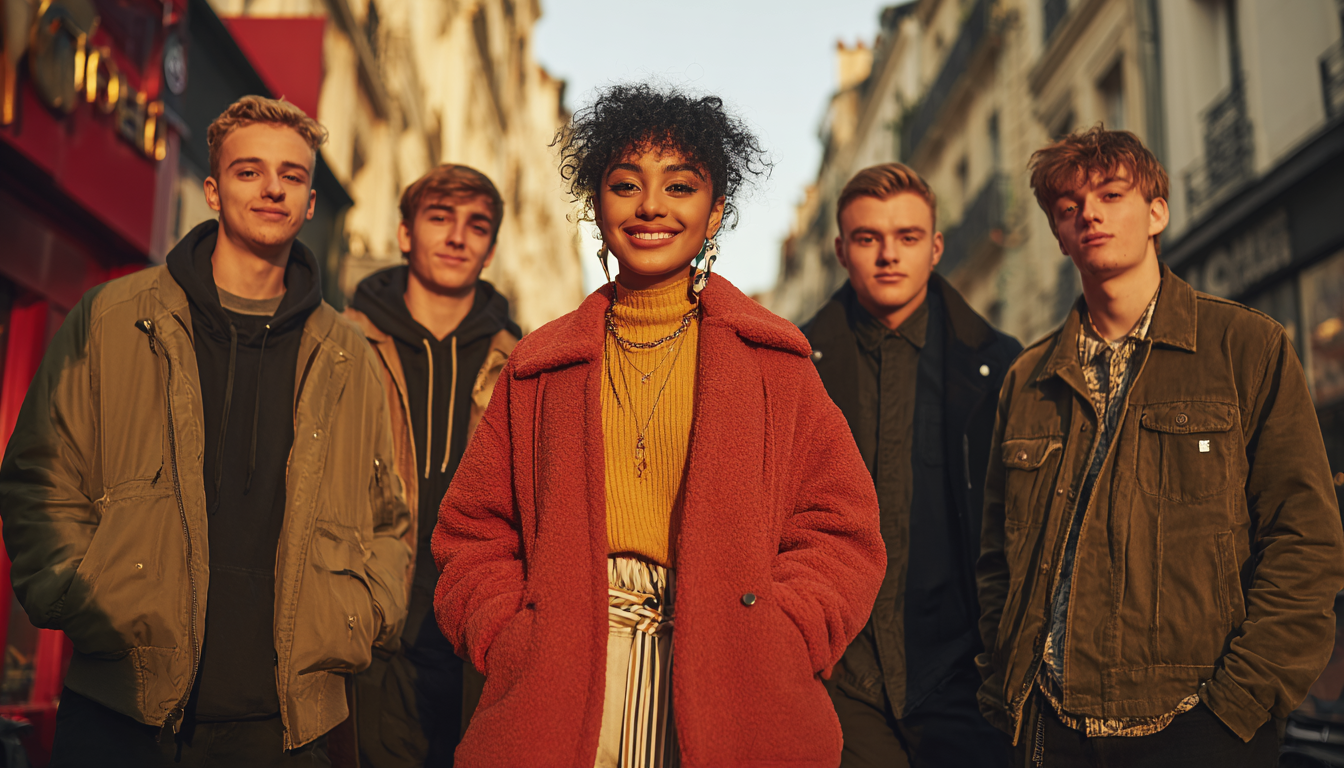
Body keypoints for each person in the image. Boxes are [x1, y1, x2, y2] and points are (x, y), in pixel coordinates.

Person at [431, 82, 886, 767]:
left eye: (680, 186)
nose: (650, 206)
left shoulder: (775, 362)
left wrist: (782, 636)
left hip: (734, 681)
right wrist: (511, 635)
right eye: (625, 184)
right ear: (597, 205)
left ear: (715, 213)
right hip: (562, 685)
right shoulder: (539, 366)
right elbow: (471, 534)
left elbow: (841, 531)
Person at [0, 96, 411, 767]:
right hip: (123, 706)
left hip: (287, 728)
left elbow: (391, 520)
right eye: (249, 172)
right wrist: (83, 595)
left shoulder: (351, 356)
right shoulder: (114, 318)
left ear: (311, 203)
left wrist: (357, 617)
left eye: (293, 176)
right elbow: (38, 478)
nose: (273, 188)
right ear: (213, 191)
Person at [976, 125, 1344, 767]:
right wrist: (1005, 684)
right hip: (1046, 728)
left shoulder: (1245, 348)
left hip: (1196, 725)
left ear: (1157, 212)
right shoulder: (1027, 381)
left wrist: (1239, 707)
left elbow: (1305, 541)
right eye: (1069, 208)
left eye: (1111, 194)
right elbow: (995, 564)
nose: (1089, 213)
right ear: (1060, 235)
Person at [803, 164, 1019, 767]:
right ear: (841, 251)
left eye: (908, 237)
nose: (889, 256)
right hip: (839, 679)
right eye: (869, 239)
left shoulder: (1002, 367)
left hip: (966, 677)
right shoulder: (794, 369)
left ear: (936, 247)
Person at [345, 165, 521, 766]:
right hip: (363, 630)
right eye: (439, 218)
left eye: (476, 226)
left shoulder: (520, 364)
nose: (456, 238)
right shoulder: (343, 344)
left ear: (491, 249)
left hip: (471, 639)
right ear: (403, 233)